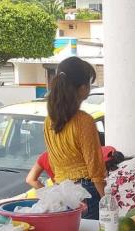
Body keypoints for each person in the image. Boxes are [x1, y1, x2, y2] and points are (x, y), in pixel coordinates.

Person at [44, 56, 105, 220]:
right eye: (89, 83)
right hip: (85, 192)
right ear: (83, 88)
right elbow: (95, 169)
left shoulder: (49, 120)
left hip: (61, 191)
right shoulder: (84, 121)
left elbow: (53, 163)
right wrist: (107, 201)